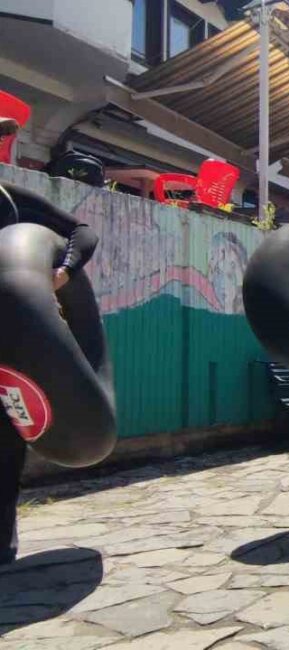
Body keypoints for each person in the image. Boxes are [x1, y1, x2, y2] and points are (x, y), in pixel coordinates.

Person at [1, 181, 99, 565]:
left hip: (8, 346)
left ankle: (1, 549)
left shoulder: (8, 199)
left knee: (5, 452)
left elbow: (82, 233)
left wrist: (64, 272)